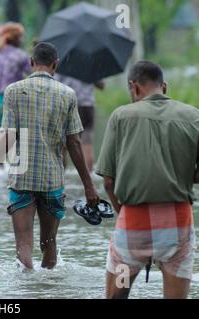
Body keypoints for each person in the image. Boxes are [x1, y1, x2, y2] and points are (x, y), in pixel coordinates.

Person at [0, 43, 100, 270]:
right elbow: (74, 143)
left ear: (31, 63)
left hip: (22, 179)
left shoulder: (13, 91)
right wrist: (89, 186)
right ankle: (47, 290)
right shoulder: (68, 95)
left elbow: (8, 138)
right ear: (55, 64)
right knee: (49, 245)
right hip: (52, 181)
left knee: (24, 247)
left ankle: (26, 290)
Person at [96, 61, 199, 299]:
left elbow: (109, 182)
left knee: (116, 297)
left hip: (133, 225)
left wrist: (122, 212)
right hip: (178, 227)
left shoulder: (121, 116)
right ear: (165, 87)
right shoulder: (193, 116)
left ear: (134, 87)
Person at [0, 22, 31, 128]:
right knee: (18, 139)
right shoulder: (21, 55)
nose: (22, 40)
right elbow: (36, 74)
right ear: (15, 38)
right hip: (17, 103)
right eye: (20, 37)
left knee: (1, 139)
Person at [57, 75, 104, 172]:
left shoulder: (62, 63)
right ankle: (88, 181)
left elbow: (55, 84)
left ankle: (61, 179)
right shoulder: (91, 63)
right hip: (88, 106)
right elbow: (101, 85)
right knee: (87, 143)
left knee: (63, 143)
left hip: (69, 104)